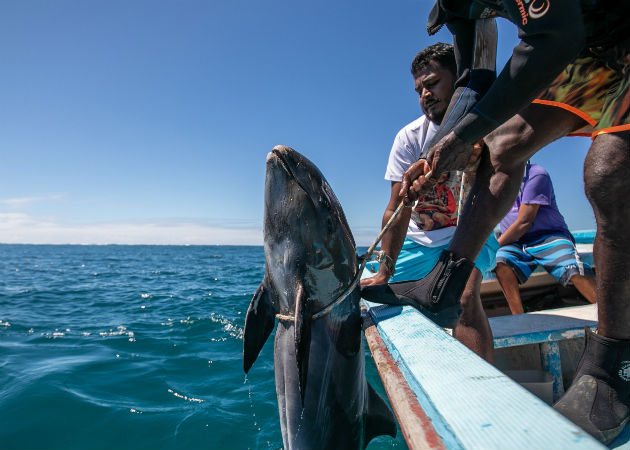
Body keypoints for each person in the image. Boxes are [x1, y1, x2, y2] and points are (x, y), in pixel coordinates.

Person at [362, 0, 629, 444]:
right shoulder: (455, 8)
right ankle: (444, 280)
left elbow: (555, 37)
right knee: (504, 144)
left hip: (583, 36)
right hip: (591, 47)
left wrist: (461, 138)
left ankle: (613, 366)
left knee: (609, 177)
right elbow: (475, 80)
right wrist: (449, 143)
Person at [360, 43, 498, 362]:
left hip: (472, 237)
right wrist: (384, 271)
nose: (425, 94)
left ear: (459, 80)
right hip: (418, 242)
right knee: (361, 293)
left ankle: (479, 392)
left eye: (433, 83)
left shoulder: (492, 125)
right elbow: (396, 208)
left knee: (463, 295)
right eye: (419, 89)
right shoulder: (408, 138)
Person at [494, 162, 597, 314]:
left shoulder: (536, 174)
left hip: (548, 237)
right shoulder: (494, 181)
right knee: (501, 262)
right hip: (516, 243)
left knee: (571, 268)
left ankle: (608, 316)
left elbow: (524, 222)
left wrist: (493, 247)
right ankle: (519, 317)